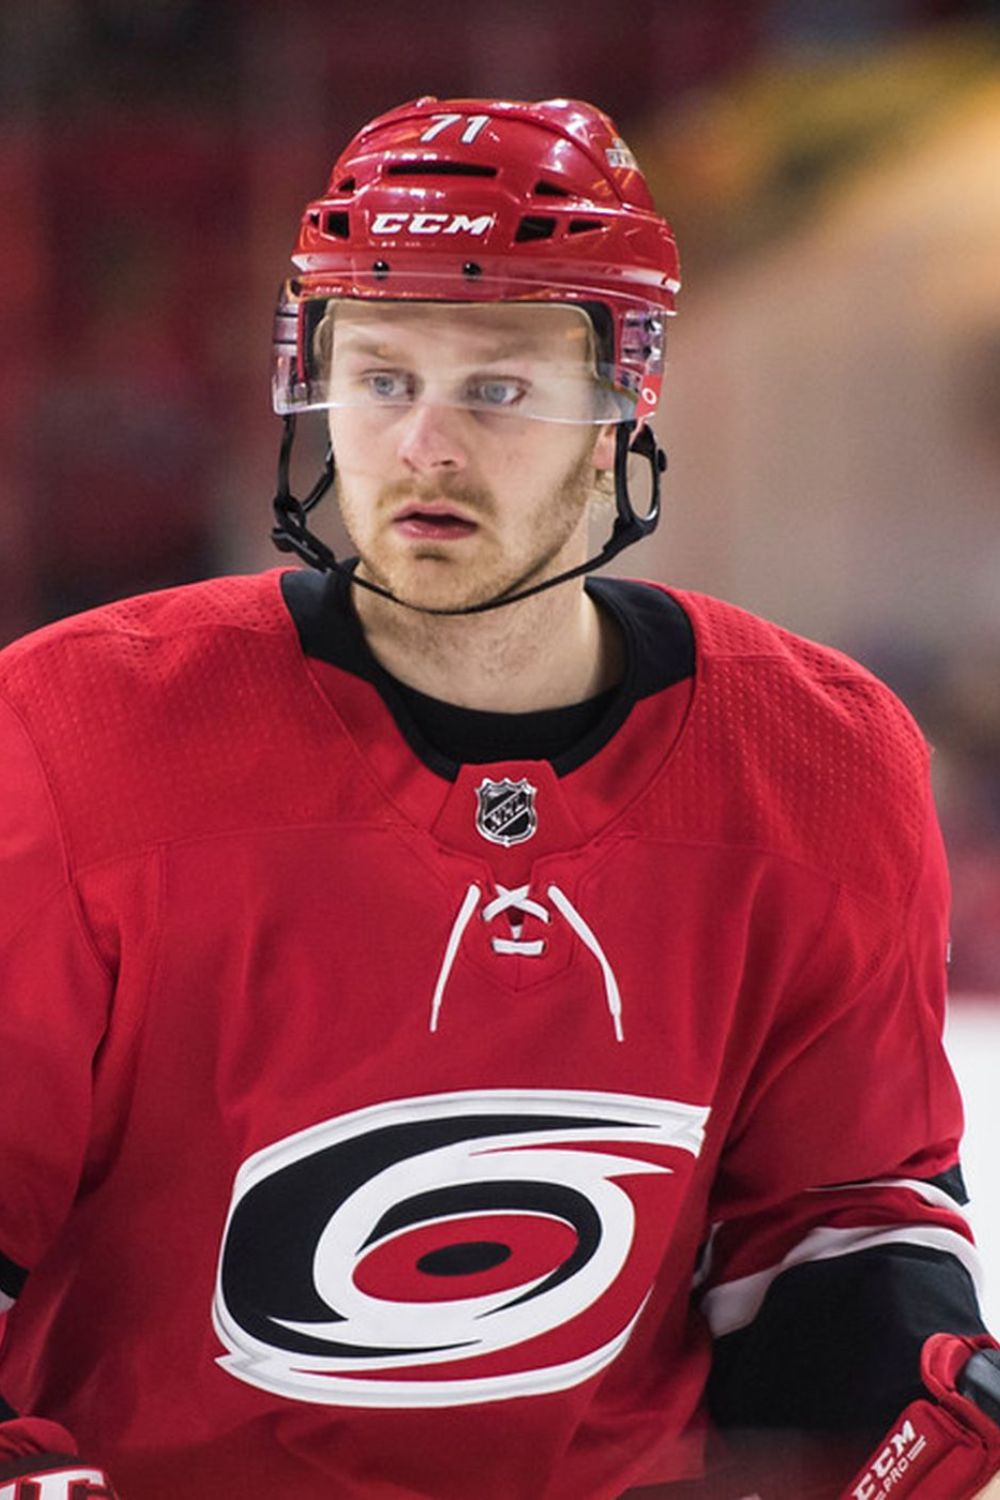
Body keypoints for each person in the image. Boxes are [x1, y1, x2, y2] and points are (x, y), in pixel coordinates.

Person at [0, 95, 998, 1500]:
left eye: (502, 389)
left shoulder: (822, 764)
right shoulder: (73, 734)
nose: (425, 447)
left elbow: (833, 1222)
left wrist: (899, 1412)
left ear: (620, 409)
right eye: (383, 377)